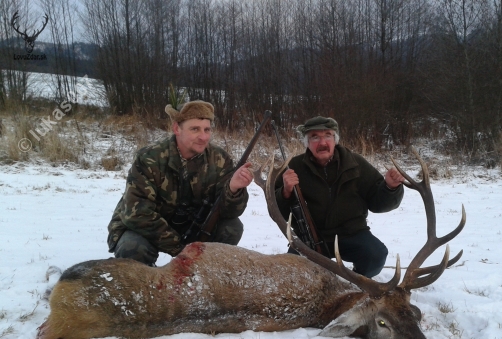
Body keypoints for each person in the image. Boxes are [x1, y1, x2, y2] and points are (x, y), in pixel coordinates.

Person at [107, 100, 253, 265]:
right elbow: (137, 214)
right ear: (177, 129)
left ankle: (207, 275)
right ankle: (143, 285)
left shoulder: (220, 159)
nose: (203, 137)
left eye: (207, 129)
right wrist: (181, 248)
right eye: (195, 129)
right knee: (132, 247)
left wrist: (233, 190)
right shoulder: (149, 158)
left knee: (232, 227)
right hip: (150, 226)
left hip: (194, 225)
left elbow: (228, 213)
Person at [275, 116, 405, 278]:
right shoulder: (293, 167)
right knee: (291, 275)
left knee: (375, 255)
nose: (322, 143)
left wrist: (390, 187)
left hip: (351, 234)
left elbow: (378, 204)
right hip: (309, 238)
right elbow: (277, 210)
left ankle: (354, 283)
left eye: (327, 135)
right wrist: (285, 191)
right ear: (307, 143)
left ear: (335, 140)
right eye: (315, 137)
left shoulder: (355, 164)